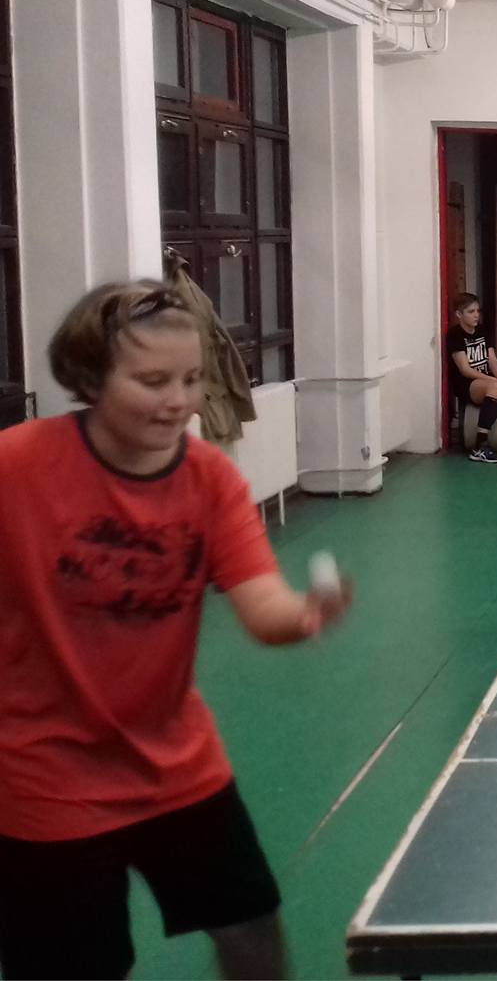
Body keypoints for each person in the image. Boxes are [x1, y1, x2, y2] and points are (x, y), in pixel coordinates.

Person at [0, 281, 353, 979]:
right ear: (90, 378)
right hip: (42, 772)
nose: (179, 400)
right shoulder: (17, 466)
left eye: (191, 379)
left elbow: (262, 605)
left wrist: (305, 615)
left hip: (175, 761)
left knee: (251, 929)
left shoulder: (210, 480)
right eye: (152, 381)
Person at [446, 292, 497, 463]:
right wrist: (493, 381)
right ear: (459, 314)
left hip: (487, 378)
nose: (476, 315)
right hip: (467, 384)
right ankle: (480, 446)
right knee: (495, 387)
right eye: (471, 312)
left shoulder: (482, 330)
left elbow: (492, 358)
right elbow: (464, 369)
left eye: (478, 311)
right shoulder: (454, 335)